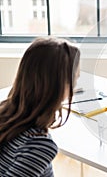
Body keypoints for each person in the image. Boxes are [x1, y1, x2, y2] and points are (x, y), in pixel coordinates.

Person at [0, 37, 80, 176]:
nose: (76, 84)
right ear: (60, 86)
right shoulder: (39, 145)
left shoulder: (4, 113)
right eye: (75, 78)